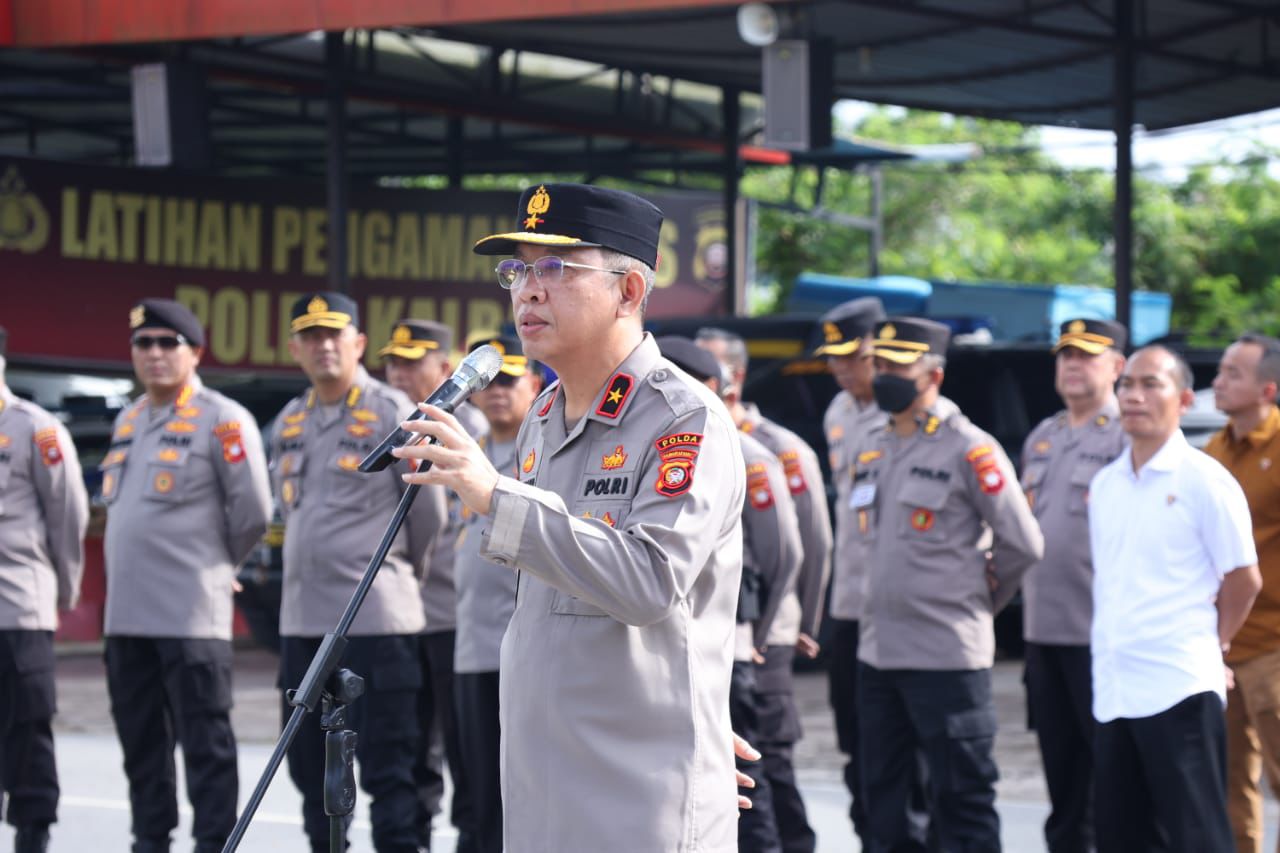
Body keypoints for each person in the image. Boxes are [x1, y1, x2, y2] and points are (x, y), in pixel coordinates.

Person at [394, 183, 746, 851]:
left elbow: (648, 580)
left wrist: (494, 495)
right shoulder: (545, 418)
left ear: (630, 291)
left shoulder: (683, 419)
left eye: (555, 268)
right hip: (546, 782)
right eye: (517, 269)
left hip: (637, 798)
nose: (526, 289)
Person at [854, 316, 1044, 852]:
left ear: (932, 375)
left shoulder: (969, 447)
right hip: (880, 656)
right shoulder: (872, 442)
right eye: (881, 364)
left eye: (898, 366)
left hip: (948, 658)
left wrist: (981, 602)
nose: (885, 375)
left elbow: (1024, 544)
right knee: (887, 809)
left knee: (962, 807)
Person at [270, 292, 447, 853]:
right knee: (310, 777)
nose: (324, 346)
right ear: (295, 347)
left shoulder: (395, 411)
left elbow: (428, 512)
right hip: (303, 625)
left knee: (389, 774)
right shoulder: (290, 419)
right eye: (311, 336)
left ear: (358, 344)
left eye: (334, 334)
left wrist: (396, 579)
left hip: (378, 624)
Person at [101, 299, 272, 853]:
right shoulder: (128, 418)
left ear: (194, 352)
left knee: (206, 747)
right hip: (126, 616)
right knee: (141, 744)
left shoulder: (222, 417)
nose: (153, 354)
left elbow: (252, 511)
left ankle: (213, 845)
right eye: (143, 343)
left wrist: (220, 565)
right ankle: (149, 840)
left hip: (191, 614)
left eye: (167, 343)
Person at [1090, 345, 1261, 852]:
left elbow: (1243, 579)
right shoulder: (1106, 485)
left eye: (1151, 385)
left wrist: (1216, 645)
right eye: (1128, 385)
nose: (1135, 396)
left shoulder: (1204, 479)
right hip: (1115, 686)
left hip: (1178, 684)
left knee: (1196, 834)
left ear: (1184, 399)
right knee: (1123, 835)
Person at [660, 333, 801, 853]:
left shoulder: (748, 452)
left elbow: (786, 553)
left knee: (743, 786)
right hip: (668, 646)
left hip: (732, 642)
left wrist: (762, 631)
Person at [696, 327, 827, 853]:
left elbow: (805, 549)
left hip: (761, 631)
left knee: (765, 764)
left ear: (732, 378)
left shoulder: (769, 449)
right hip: (731, 629)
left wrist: (786, 626)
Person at [1019, 318, 1127, 853]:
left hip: (1100, 638)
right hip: (1044, 633)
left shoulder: (1127, 434)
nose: (1073, 364)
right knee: (1063, 781)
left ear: (1117, 366)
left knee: (1113, 780)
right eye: (1065, 355)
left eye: (1087, 354)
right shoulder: (1044, 437)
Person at [378, 317, 486, 851]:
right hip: (403, 613)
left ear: (445, 367)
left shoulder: (475, 435)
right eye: (392, 362)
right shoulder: (394, 431)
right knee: (409, 750)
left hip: (452, 614)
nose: (398, 373)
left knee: (467, 753)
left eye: (411, 361)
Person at [0, 325, 89, 853]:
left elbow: (69, 516)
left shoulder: (37, 430)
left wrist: (61, 589)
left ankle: (33, 835)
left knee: (28, 726)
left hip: (17, 606)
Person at [451, 333, 541, 853]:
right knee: (476, 794)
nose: (500, 391)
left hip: (521, 649)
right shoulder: (471, 453)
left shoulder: (543, 447)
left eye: (510, 379)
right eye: (492, 382)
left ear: (532, 383)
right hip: (470, 647)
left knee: (519, 797)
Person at [811, 296, 885, 842]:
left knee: (897, 747)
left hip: (896, 609)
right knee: (853, 738)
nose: (838, 366)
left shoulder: (904, 414)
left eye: (848, 354)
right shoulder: (837, 413)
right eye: (832, 356)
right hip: (849, 603)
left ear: (876, 350)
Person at [1203, 334, 1280, 853]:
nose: (1218, 380)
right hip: (1222, 646)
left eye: (1233, 372)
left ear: (1267, 388)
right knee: (1229, 788)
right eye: (1221, 370)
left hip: (1275, 647)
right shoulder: (1213, 449)